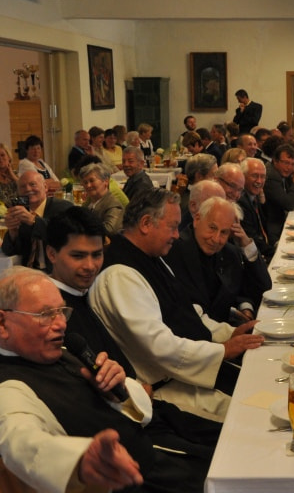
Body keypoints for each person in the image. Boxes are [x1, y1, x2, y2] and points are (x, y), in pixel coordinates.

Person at [0, 267, 211, 493]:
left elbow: (138, 412)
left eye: (61, 311)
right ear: (2, 322)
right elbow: (20, 439)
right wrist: (79, 462)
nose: (61, 324)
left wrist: (117, 391)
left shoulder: (61, 353)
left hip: (151, 482)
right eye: (46, 314)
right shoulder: (2, 392)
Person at [92, 188, 264, 421]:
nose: (176, 234)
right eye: (172, 227)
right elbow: (159, 346)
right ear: (146, 223)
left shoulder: (153, 257)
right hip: (167, 388)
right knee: (252, 414)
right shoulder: (120, 275)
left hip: (189, 370)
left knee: (259, 385)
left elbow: (186, 310)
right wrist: (223, 350)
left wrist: (229, 332)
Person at [165, 196, 270, 324]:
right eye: (212, 228)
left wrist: (246, 244)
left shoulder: (230, 253)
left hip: (227, 328)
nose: (216, 239)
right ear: (197, 220)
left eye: (224, 232)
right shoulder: (172, 249)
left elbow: (263, 289)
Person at [2, 170, 71, 270]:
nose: (28, 189)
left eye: (32, 184)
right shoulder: (21, 212)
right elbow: (9, 251)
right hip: (28, 272)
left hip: (57, 271)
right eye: (23, 186)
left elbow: (62, 235)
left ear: (45, 187)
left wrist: (33, 220)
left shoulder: (62, 207)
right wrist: (13, 232)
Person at [262, 143, 294, 242]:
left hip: (283, 220)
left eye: (293, 164)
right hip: (274, 228)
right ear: (275, 161)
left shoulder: (283, 172)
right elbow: (289, 204)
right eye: (286, 163)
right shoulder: (271, 177)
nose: (289, 167)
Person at [237, 157, 273, 261]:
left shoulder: (254, 195)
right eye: (254, 176)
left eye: (263, 177)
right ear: (243, 177)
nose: (259, 181)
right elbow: (252, 237)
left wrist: (263, 202)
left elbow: (265, 225)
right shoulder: (241, 201)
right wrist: (274, 251)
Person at [80, 160, 124, 238]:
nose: (88, 185)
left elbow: (109, 230)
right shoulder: (89, 202)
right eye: (85, 182)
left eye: (92, 180)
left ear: (106, 182)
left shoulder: (114, 205)